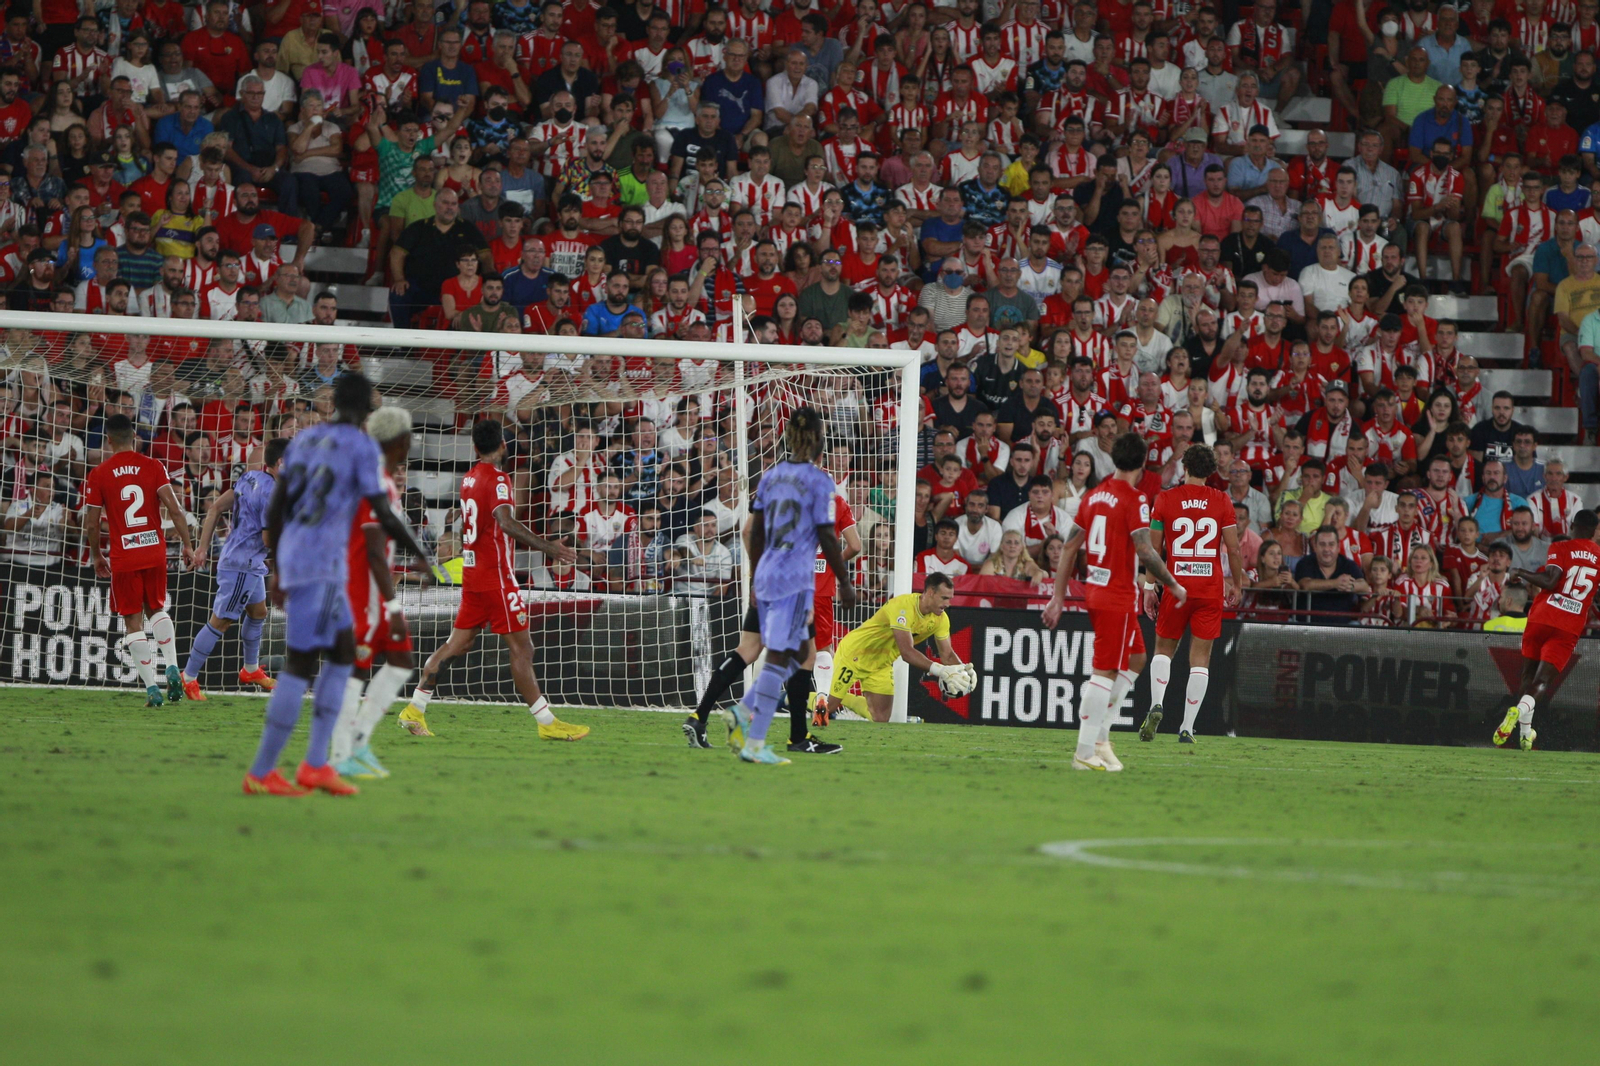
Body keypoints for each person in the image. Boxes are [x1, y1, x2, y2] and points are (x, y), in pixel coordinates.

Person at [242, 376, 435, 796]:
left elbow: (279, 503)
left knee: (344, 653)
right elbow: (383, 511)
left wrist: (276, 566)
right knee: (299, 665)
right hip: (322, 565)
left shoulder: (306, 441)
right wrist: (418, 552)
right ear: (366, 408)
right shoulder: (362, 446)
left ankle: (316, 765)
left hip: (298, 558)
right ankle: (262, 771)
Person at [401, 419, 588, 742]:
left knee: (459, 643)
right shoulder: (499, 480)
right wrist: (549, 547)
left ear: (475, 448)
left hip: (474, 575)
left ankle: (414, 708)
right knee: (522, 648)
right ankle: (547, 723)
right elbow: (505, 522)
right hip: (495, 576)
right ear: (503, 444)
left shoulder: (469, 478)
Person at [720, 408, 858, 763]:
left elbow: (753, 531)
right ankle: (750, 734)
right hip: (795, 579)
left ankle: (760, 724)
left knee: (801, 655)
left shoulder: (771, 477)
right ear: (818, 442)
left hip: (767, 573)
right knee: (785, 656)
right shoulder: (820, 482)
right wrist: (843, 581)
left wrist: (752, 576)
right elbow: (828, 536)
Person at [1042, 432, 1186, 772]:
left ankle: (1102, 738)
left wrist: (1059, 597)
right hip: (1116, 597)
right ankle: (1083, 751)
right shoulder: (1134, 499)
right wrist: (1173, 584)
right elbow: (1146, 550)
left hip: (1096, 591)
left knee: (1137, 658)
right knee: (1104, 670)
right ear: (1143, 463)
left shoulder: (1093, 497)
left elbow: (1068, 548)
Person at [329, 407, 419, 781]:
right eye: (409, 435)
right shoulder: (373, 481)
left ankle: (359, 739)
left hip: (372, 593)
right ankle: (339, 755)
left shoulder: (382, 480)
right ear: (397, 440)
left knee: (400, 661)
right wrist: (394, 604)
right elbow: (372, 549)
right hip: (362, 594)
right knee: (355, 671)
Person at [82, 414, 196, 708]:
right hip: (154, 551)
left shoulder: (100, 474)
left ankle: (151, 689)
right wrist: (187, 545)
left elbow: (92, 524)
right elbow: (175, 509)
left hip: (124, 555)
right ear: (134, 437)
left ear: (108, 440)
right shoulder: (153, 466)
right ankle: (171, 665)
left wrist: (97, 555)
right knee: (156, 608)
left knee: (133, 621)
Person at [1140, 443, 1244, 744]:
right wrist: (1236, 584)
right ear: (1212, 471)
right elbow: (1234, 549)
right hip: (1209, 588)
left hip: (1176, 585)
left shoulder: (1166, 498)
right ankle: (1186, 727)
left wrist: (1149, 587)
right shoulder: (1222, 500)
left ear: (1184, 466)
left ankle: (1156, 704)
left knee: (1163, 649)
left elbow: (1153, 550)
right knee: (1200, 658)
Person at [180, 437, 288, 701]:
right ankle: (189, 677)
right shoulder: (273, 493)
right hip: (242, 563)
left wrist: (203, 547)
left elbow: (216, 507)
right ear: (282, 463)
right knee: (222, 621)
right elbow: (267, 540)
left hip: (246, 560)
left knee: (259, 611)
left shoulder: (250, 477)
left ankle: (250, 670)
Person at [1495, 509, 1600, 751]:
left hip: (1542, 618)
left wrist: (1521, 572)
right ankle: (1518, 712)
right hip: (1568, 626)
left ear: (1573, 526)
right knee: (1541, 682)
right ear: (1594, 531)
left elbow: (1551, 581)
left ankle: (1524, 734)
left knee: (1527, 675)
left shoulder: (1561, 547)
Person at [815, 571, 969, 725]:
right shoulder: (902, 607)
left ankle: (848, 701)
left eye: (950, 598)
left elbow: (947, 655)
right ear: (930, 593)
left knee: (880, 718)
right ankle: (798, 698)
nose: (948, 604)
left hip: (881, 663)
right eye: (944, 598)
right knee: (827, 708)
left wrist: (964, 671)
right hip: (855, 654)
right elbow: (906, 652)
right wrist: (941, 671)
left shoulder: (941, 619)